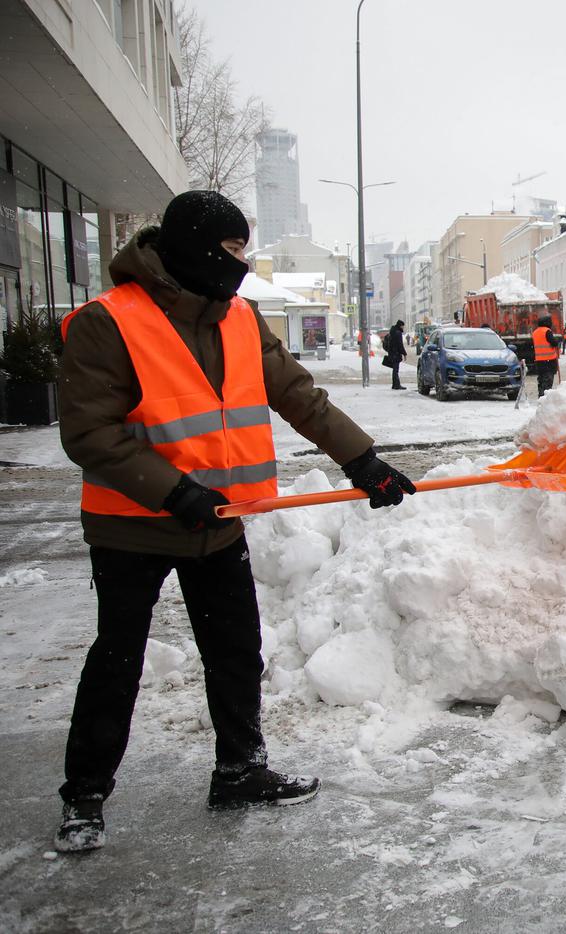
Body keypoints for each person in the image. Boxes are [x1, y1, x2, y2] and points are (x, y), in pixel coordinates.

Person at [52, 190, 417, 853]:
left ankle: (240, 770)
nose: (239, 267)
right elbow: (88, 432)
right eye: (229, 253)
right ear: (191, 251)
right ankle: (83, 796)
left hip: (219, 520)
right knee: (117, 660)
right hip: (132, 524)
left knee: (235, 650)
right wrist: (171, 491)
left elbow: (298, 395)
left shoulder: (241, 319)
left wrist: (362, 460)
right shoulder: (107, 322)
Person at [531, 314, 561, 396]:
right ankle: (546, 398)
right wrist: (557, 341)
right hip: (549, 361)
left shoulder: (535, 332)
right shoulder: (547, 331)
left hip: (539, 361)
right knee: (548, 381)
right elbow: (553, 342)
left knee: (541, 380)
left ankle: (541, 396)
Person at [385, 320, 407, 390]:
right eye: (403, 326)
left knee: (394, 370)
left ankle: (395, 384)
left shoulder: (392, 331)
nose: (403, 327)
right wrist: (404, 353)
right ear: (400, 325)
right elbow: (400, 345)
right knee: (396, 370)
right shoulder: (398, 333)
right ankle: (397, 385)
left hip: (392, 353)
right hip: (396, 353)